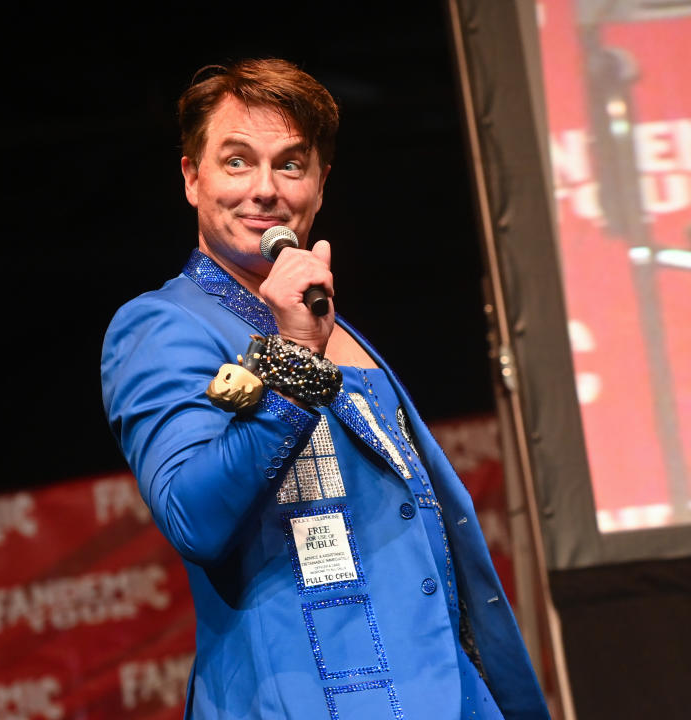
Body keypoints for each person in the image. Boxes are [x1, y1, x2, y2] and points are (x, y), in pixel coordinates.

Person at [101, 58, 549, 720]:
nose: (264, 190)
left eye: (290, 164)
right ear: (192, 177)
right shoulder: (163, 326)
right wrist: (293, 357)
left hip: (444, 694)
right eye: (236, 162)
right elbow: (193, 518)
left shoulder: (334, 324)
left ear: (320, 183)